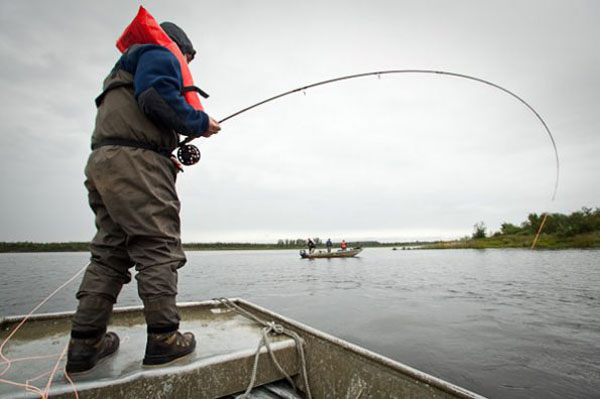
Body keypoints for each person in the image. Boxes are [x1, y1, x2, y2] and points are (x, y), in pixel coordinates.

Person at [66, 13, 221, 375]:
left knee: (110, 252)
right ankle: (165, 339)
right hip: (136, 164)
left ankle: (85, 344)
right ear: (181, 48)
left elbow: (137, 115)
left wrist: (159, 152)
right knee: (158, 247)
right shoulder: (160, 52)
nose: (186, 66)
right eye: (189, 59)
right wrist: (201, 123)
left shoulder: (121, 70)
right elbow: (155, 97)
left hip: (105, 161)